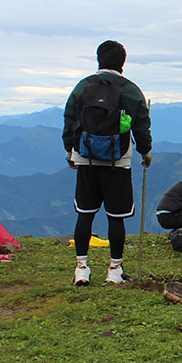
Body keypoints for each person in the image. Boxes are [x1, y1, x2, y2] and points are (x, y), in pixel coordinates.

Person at [62, 40, 152, 285]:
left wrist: (70, 151)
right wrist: (145, 151)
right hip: (117, 161)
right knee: (116, 217)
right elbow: (141, 125)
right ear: (122, 63)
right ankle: (115, 270)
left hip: (85, 157)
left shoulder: (83, 87)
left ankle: (81, 267)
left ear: (98, 59)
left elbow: (69, 119)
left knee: (85, 214)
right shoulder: (131, 90)